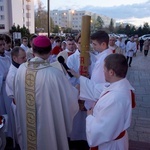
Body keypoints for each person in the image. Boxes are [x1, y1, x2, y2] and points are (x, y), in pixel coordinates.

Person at [14, 36, 79, 150]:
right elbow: (70, 101)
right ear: (50, 51)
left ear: (33, 51)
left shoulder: (21, 69)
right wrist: (77, 88)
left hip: (27, 124)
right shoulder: (55, 74)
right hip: (48, 125)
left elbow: (17, 95)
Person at [86, 54, 135, 150]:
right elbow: (101, 89)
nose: (103, 72)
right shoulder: (121, 85)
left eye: (104, 69)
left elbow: (99, 133)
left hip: (109, 145)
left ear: (111, 72)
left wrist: (89, 117)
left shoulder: (115, 99)